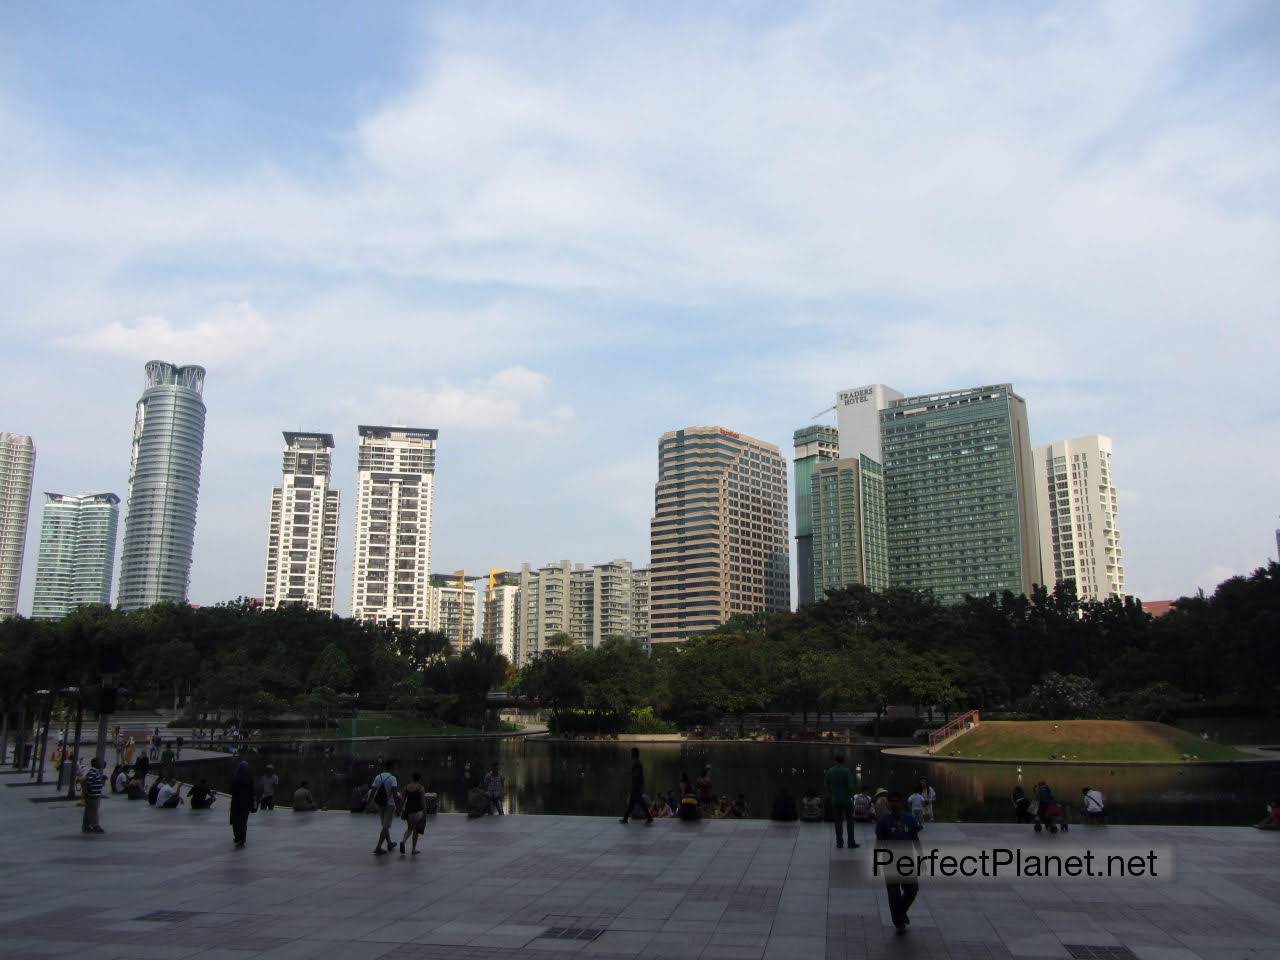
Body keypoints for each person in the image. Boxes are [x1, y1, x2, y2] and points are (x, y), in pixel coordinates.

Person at [875, 791, 922, 935]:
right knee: (894, 894)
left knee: (912, 890)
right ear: (888, 803)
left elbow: (915, 839)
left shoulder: (910, 819)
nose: (894, 803)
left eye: (897, 800)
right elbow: (879, 842)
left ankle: (900, 912)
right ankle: (898, 921)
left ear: (901, 802)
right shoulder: (883, 821)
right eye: (892, 801)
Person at [824, 753, 859, 849]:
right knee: (850, 821)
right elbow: (850, 786)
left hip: (835, 800)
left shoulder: (830, 771)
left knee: (838, 821)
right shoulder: (846, 771)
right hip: (846, 800)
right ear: (843, 761)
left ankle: (839, 843)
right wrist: (852, 793)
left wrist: (832, 792)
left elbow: (826, 784)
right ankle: (851, 842)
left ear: (835, 760)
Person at [370, 759, 401, 854]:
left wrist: (368, 804)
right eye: (394, 767)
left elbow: (373, 791)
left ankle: (390, 843)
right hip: (390, 805)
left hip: (380, 804)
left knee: (384, 824)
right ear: (391, 767)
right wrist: (398, 808)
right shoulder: (392, 778)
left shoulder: (378, 777)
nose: (395, 768)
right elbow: (395, 795)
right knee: (385, 825)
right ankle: (378, 847)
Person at [619, 747, 653, 825]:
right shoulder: (637, 763)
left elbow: (637, 775)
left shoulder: (637, 763)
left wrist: (627, 772)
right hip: (637, 787)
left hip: (636, 787)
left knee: (638, 803)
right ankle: (626, 818)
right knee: (635, 803)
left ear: (634, 755)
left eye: (631, 753)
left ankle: (626, 818)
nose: (630, 755)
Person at [399, 772, 427, 854]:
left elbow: (402, 800)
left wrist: (399, 809)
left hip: (409, 812)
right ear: (419, 778)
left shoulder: (406, 787)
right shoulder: (420, 788)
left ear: (412, 778)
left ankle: (403, 842)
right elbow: (423, 802)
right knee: (416, 831)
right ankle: (413, 849)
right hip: (418, 812)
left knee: (409, 828)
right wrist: (425, 814)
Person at [229, 760, 255, 848]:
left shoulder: (236, 777)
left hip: (237, 803)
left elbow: (232, 789)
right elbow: (252, 791)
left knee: (236, 821)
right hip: (246, 804)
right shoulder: (250, 778)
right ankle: (242, 838)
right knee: (243, 821)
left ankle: (238, 837)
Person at [81, 756, 105, 834]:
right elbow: (88, 782)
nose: (100, 764)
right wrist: (90, 792)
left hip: (92, 795)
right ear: (95, 764)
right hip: (92, 796)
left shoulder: (94, 772)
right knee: (94, 812)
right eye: (99, 762)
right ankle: (95, 826)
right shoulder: (93, 772)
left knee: (88, 811)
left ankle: (86, 826)